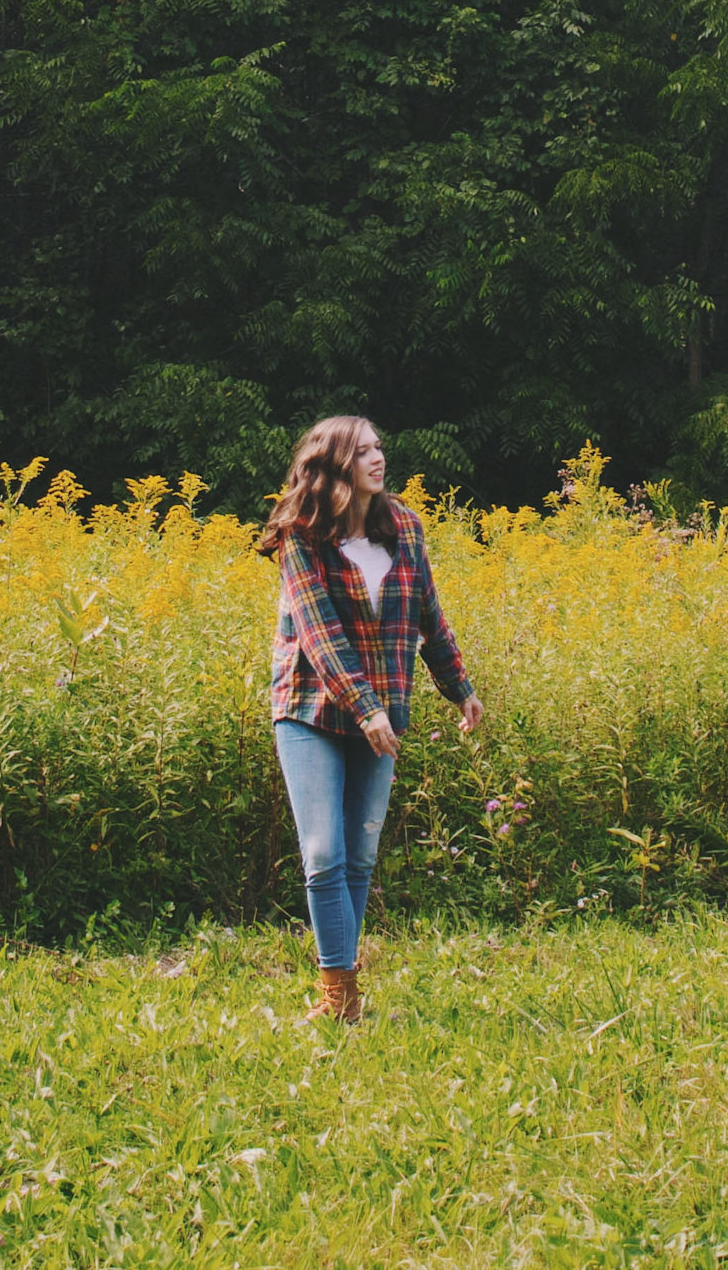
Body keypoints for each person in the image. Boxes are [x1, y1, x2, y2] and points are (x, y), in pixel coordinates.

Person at [259, 413, 482, 1022]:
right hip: (309, 707)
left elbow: (427, 613)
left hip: (380, 707)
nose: (378, 459)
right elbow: (318, 631)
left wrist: (457, 685)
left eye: (380, 447)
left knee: (360, 854)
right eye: (363, 452)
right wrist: (366, 709)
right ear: (335, 464)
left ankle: (343, 994)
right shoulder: (300, 534)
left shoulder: (403, 527)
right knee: (325, 851)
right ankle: (340, 995)